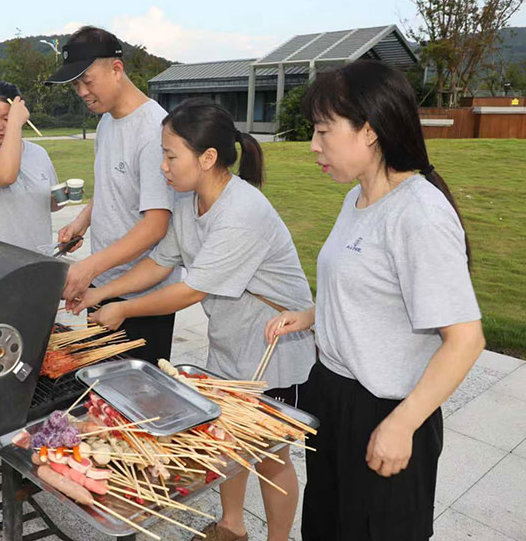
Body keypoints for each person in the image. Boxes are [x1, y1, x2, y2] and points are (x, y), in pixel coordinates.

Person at [76, 99, 315, 541]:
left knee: (269, 453)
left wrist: (124, 309)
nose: (163, 167)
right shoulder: (189, 203)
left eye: (170, 156)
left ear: (207, 159)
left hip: (273, 346)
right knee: (226, 437)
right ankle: (231, 527)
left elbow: (190, 290)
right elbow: (160, 263)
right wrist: (101, 291)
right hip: (231, 340)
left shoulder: (242, 212)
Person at [265, 60, 484, 541]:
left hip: (385, 408)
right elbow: (369, 291)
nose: (313, 146)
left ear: (368, 131)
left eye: (324, 131)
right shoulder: (357, 199)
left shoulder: (419, 214)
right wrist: (310, 316)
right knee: (327, 527)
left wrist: (402, 424)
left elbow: (465, 340)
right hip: (334, 394)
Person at [46, 26, 177, 365]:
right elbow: (109, 187)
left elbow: (156, 225)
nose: (82, 92)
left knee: (136, 400)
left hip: (142, 294)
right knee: (102, 390)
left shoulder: (154, 131)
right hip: (103, 284)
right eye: (76, 84)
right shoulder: (106, 122)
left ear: (116, 69)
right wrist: (80, 223)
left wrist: (89, 267)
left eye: (87, 81)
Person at [0, 82, 62, 250]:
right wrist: (14, 123)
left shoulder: (39, 153)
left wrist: (63, 196)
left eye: (6, 118)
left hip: (40, 256)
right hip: (0, 261)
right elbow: (5, 176)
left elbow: (50, 205)